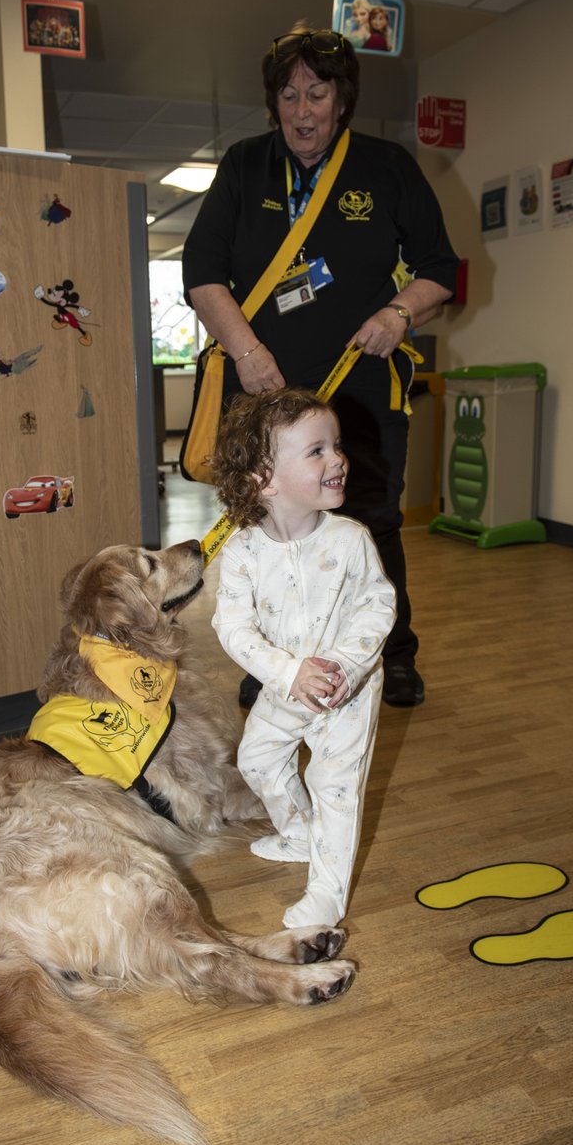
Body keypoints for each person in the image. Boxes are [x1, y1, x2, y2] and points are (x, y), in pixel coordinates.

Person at [182, 22, 458, 709]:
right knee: (267, 528)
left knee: (371, 523)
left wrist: (397, 315)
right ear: (273, 103)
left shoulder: (386, 167)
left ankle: (391, 654)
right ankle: (273, 659)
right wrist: (246, 351)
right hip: (261, 391)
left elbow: (440, 269)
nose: (303, 111)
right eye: (289, 95)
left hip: (356, 390)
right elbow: (201, 272)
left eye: (317, 93)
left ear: (341, 101)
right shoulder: (245, 165)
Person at [211, 388, 396, 928]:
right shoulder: (243, 550)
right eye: (316, 450)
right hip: (288, 683)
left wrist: (345, 666)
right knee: (259, 758)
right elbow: (233, 625)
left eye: (335, 445)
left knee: (334, 788)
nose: (338, 458)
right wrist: (289, 673)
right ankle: (298, 833)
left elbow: (378, 605)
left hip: (346, 693)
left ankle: (328, 895)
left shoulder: (350, 540)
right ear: (262, 479)